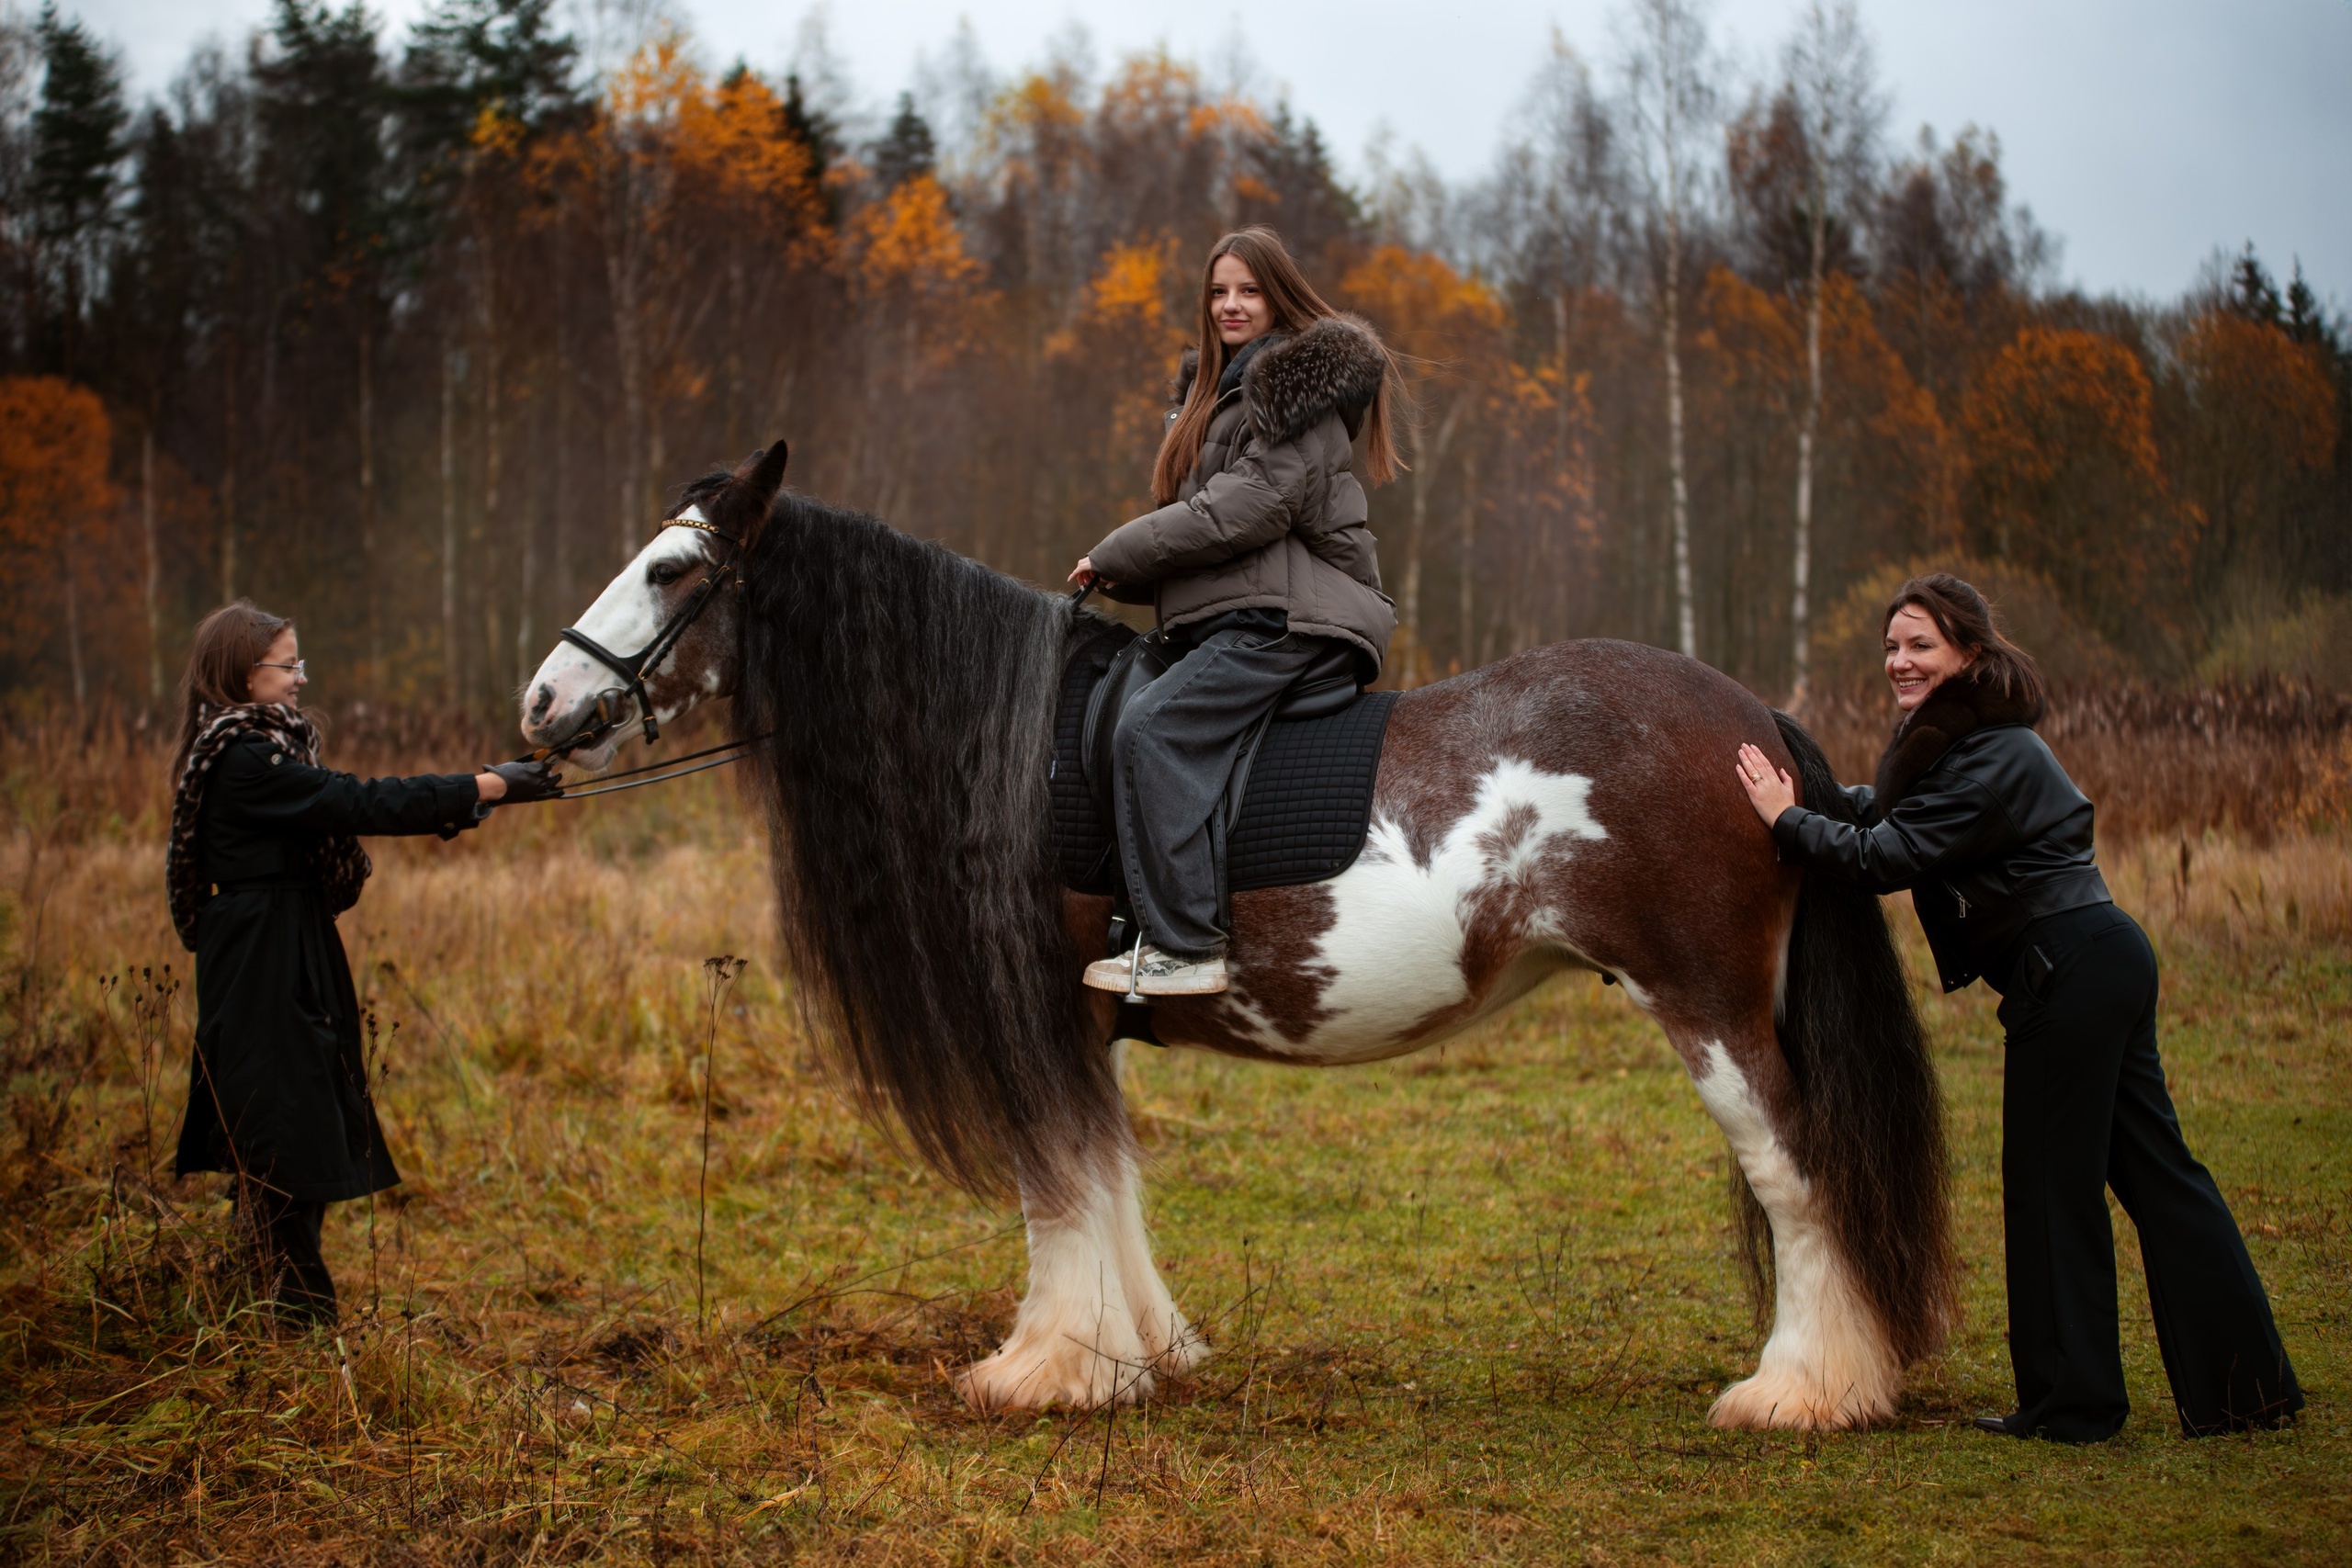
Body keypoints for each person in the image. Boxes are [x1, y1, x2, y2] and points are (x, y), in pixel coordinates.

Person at [1734, 573, 2301, 1442]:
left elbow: (1888, 854)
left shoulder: (1993, 756)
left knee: (2050, 1191)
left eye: (1920, 643)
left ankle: (2073, 1405)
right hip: (2093, 958)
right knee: (2161, 1176)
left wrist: (1785, 824)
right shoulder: (1962, 749)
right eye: (1891, 645)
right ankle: (2245, 1388)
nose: (1900, 660)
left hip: (2066, 971)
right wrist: (1805, 799)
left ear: (1970, 651)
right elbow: (1883, 815)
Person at [167, 601, 564, 1327]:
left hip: (281, 942)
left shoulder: (259, 748)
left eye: (298, 662)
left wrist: (486, 792)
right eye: (289, 664)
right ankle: (297, 1326)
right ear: (243, 671)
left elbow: (346, 801)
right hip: (264, 956)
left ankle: (264, 1306)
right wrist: (487, 786)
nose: (299, 678)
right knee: (285, 1134)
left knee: (286, 1129)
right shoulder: (247, 758)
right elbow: (354, 801)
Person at [1069, 227, 1402, 997]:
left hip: (1288, 622)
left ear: (1278, 298)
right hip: (1248, 612)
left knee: (1153, 729)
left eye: (1248, 290)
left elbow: (1242, 511)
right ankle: (1147, 925)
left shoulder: (1290, 397)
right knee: (1125, 708)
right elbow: (1211, 529)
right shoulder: (1211, 399)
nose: (1231, 304)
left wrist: (1115, 553)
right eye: (1218, 291)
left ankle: (1187, 944)